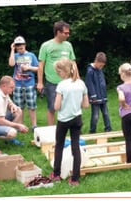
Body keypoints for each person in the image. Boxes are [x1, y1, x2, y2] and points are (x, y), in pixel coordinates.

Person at [51, 58, 89, 186]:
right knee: (75, 147)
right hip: (77, 119)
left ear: (64, 71)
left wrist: (62, 103)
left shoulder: (61, 85)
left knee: (59, 146)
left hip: (63, 120)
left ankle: (56, 174)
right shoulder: (81, 84)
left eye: (58, 72)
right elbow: (86, 105)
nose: (58, 74)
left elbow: (56, 107)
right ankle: (75, 178)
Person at [37, 20, 76, 126]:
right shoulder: (46, 45)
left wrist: (77, 78)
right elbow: (41, 65)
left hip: (67, 82)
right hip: (52, 82)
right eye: (66, 33)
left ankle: (65, 129)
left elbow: (73, 62)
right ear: (58, 32)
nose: (68, 35)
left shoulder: (68, 45)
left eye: (68, 33)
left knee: (68, 107)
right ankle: (51, 131)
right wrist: (40, 82)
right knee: (52, 108)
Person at [0, 76, 28, 147]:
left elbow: (9, 101)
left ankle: (9, 138)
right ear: (4, 86)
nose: (13, 89)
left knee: (18, 111)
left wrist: (12, 105)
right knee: (12, 133)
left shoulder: (3, 92)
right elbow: (1, 121)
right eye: (11, 87)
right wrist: (18, 125)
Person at [8, 35, 39, 130]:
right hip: (17, 85)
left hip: (29, 84)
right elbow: (11, 64)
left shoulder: (31, 55)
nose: (19, 47)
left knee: (31, 106)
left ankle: (34, 126)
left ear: (25, 45)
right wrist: (12, 50)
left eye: (21, 45)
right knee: (19, 107)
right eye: (17, 45)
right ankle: (21, 126)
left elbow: (38, 68)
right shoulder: (15, 55)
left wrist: (28, 68)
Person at [85, 52, 112, 133]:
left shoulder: (100, 70)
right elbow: (89, 84)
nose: (101, 67)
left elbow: (102, 82)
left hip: (102, 96)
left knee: (106, 113)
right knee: (95, 115)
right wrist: (93, 96)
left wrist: (104, 93)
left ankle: (108, 128)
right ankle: (92, 130)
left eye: (102, 66)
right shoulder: (90, 71)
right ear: (96, 61)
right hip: (95, 97)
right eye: (100, 65)